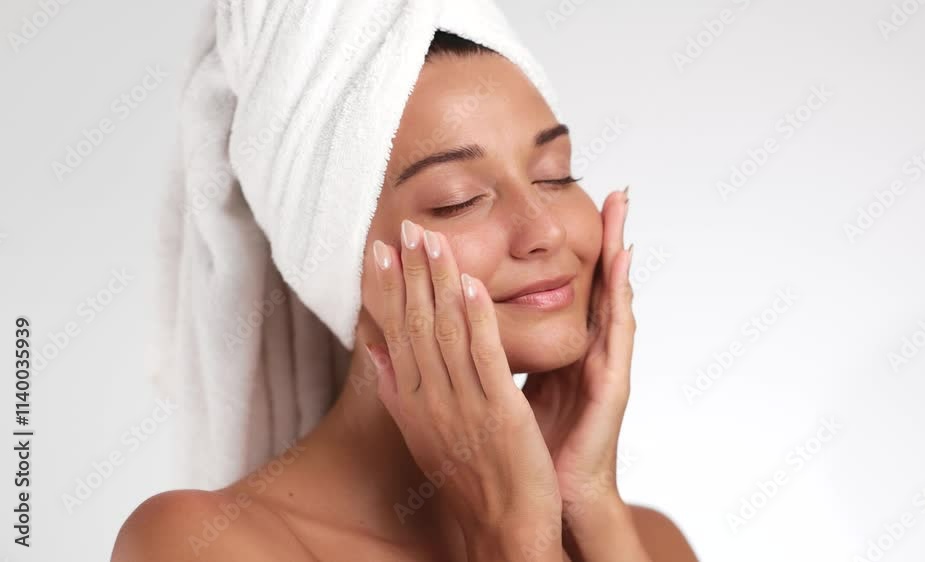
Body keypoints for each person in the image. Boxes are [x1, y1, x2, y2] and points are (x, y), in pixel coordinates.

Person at [112, 30, 698, 562]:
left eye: (555, 175)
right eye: (458, 199)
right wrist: (511, 536)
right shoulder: (201, 544)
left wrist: (592, 505)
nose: (545, 230)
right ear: (338, 258)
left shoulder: (645, 543)